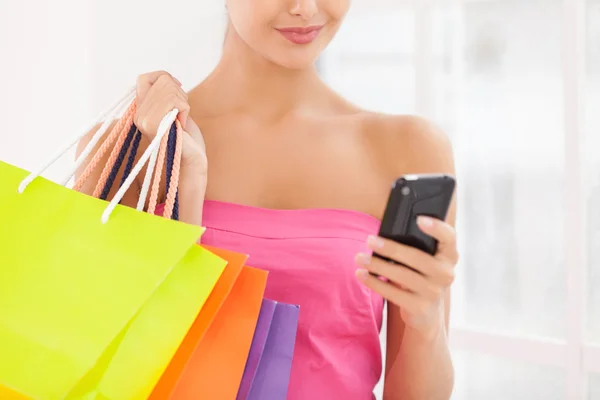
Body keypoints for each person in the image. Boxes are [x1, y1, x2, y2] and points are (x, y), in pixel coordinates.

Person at [77, 1, 459, 399]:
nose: (304, 8)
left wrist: (426, 321)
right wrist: (188, 191)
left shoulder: (407, 150)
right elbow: (97, 369)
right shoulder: (129, 150)